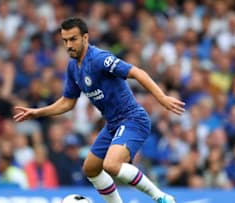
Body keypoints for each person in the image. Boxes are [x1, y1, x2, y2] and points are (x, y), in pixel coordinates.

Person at [14, 17, 185, 203]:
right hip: (112, 125)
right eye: (65, 41)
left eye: (73, 39)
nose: (68, 45)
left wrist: (161, 97)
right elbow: (68, 102)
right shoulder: (73, 67)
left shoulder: (99, 59)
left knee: (111, 165)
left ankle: (161, 197)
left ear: (85, 38)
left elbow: (136, 72)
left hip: (132, 119)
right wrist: (37, 112)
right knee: (91, 168)